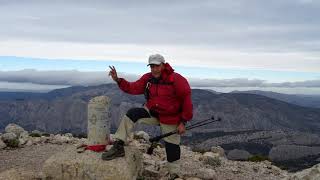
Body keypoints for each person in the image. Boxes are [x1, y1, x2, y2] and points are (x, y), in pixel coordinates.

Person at [102, 54, 193, 174]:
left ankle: (174, 173)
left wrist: (183, 122)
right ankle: (119, 145)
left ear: (163, 65)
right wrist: (118, 80)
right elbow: (133, 88)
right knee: (132, 114)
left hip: (170, 118)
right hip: (153, 112)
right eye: (151, 66)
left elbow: (186, 100)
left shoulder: (176, 79)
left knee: (172, 145)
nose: (154, 69)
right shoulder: (148, 78)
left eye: (157, 66)